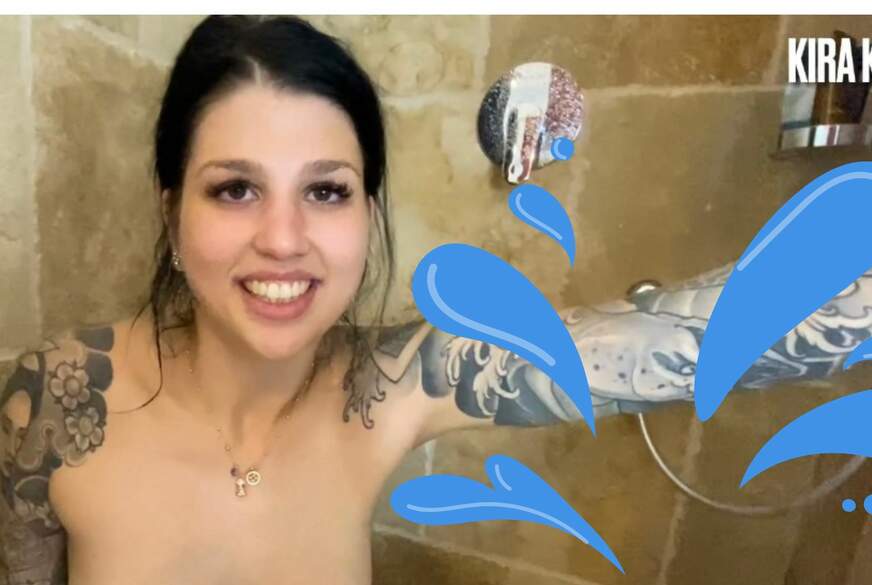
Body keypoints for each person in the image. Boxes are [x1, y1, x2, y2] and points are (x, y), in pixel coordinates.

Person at [2, 15, 871, 585]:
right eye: (236, 189)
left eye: (326, 190)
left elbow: (689, 342)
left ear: (367, 214)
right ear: (171, 211)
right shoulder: (55, 400)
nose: (283, 238)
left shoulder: (394, 384)